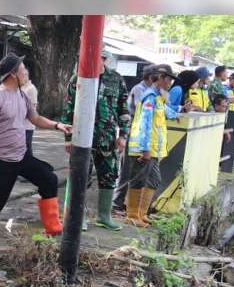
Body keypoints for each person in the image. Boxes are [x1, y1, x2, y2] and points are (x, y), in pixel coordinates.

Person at [0, 53, 72, 257]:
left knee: (49, 179)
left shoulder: (22, 95)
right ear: (13, 73)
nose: (26, 72)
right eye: (23, 69)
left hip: (22, 155)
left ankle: (53, 226)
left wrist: (57, 125)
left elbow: (35, 118)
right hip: (1, 160)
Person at [60, 49, 130, 231]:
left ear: (104, 59)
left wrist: (123, 135)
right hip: (83, 138)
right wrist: (68, 137)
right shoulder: (78, 79)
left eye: (96, 57)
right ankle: (77, 216)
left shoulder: (116, 79)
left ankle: (104, 216)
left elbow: (123, 109)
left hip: (108, 138)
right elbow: (69, 108)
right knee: (80, 175)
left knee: (109, 175)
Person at [125, 64, 179, 227]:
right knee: (138, 180)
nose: (170, 84)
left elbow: (164, 111)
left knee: (154, 180)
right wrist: (145, 149)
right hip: (144, 150)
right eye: (169, 80)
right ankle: (132, 215)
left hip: (154, 150)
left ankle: (142, 213)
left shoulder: (158, 98)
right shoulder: (150, 97)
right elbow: (145, 123)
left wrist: (175, 114)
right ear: (161, 78)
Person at [115, 65, 157, 216]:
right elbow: (143, 110)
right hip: (134, 129)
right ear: (151, 77)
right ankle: (117, 203)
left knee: (139, 172)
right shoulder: (141, 90)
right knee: (127, 169)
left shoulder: (152, 91)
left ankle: (132, 207)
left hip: (142, 132)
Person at [22, 77, 38, 155]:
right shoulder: (21, 87)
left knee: (27, 149)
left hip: (27, 125)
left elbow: (33, 107)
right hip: (20, 125)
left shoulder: (31, 88)